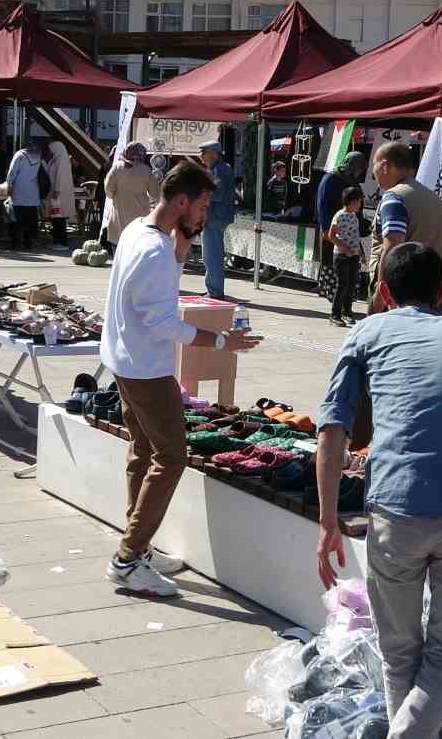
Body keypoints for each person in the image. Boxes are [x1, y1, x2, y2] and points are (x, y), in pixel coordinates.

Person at [313, 242, 442, 739]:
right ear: (440, 291)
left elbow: (331, 429)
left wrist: (329, 520)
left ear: (384, 291)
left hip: (399, 506)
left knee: (399, 653)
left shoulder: (367, 330)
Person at [101, 162, 261, 597]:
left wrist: (184, 241)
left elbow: (163, 283)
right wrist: (222, 340)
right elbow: (164, 323)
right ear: (182, 201)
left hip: (125, 360)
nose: (206, 214)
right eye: (204, 205)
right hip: (146, 368)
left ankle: (138, 547)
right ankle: (128, 558)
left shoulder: (140, 230)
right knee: (171, 457)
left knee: (143, 452)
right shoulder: (152, 249)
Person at [368, 142, 442, 309]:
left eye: (374, 165)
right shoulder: (436, 200)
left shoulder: (394, 197)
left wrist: (379, 297)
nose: (373, 172)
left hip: (399, 294)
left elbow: (392, 246)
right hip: (429, 293)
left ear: (385, 166)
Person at [316, 151, 370, 303]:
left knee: (350, 274)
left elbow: (358, 209)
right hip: (334, 233)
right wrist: (327, 231)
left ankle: (345, 307)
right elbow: (323, 207)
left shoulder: (352, 182)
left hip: (351, 234)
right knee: (337, 274)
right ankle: (337, 309)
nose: (360, 172)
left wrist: (364, 227)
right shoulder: (331, 179)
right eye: (359, 168)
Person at [103, 143, 159, 254]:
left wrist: (117, 196)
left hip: (118, 216)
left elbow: (108, 191)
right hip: (139, 219)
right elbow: (155, 194)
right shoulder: (146, 170)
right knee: (135, 253)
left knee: (118, 253)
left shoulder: (117, 167)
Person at [198, 138, 236, 299]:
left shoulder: (219, 170)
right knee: (212, 255)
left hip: (215, 217)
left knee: (211, 255)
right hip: (218, 217)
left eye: (203, 153)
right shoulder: (222, 168)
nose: (201, 157)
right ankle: (213, 289)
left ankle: (215, 291)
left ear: (213, 154)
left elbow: (217, 194)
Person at [4, 136, 45, 251]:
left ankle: (15, 243)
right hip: (33, 193)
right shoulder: (38, 157)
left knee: (16, 219)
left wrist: (9, 185)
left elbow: (12, 173)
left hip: (18, 191)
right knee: (30, 220)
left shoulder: (19, 155)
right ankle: (28, 243)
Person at [45, 136, 75, 251]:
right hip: (57, 194)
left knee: (59, 220)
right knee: (57, 219)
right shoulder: (58, 158)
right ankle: (58, 242)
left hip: (59, 195)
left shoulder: (61, 160)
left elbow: (60, 177)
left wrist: (57, 191)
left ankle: (61, 243)